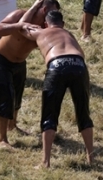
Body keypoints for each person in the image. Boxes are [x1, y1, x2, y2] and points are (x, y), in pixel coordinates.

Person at [19, 10, 94, 168]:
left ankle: (46, 161)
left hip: (57, 64)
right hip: (79, 64)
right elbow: (81, 54)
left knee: (49, 114)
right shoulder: (69, 34)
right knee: (83, 112)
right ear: (63, 24)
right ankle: (91, 157)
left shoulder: (42, 32)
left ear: (46, 23)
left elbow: (22, 28)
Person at [0, 0, 61, 149]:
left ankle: (13, 125)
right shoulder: (18, 15)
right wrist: (19, 24)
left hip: (20, 63)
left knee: (17, 95)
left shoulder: (44, 29)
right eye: (52, 13)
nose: (52, 18)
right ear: (43, 10)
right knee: (4, 96)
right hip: (1, 60)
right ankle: (2, 139)